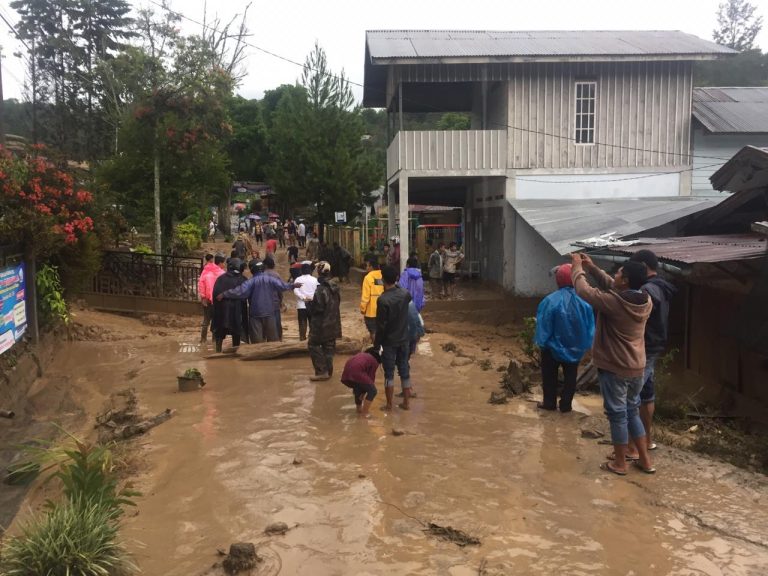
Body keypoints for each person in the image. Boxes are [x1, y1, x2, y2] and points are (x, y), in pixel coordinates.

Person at [572, 253, 654, 476]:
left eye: (618, 273)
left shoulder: (614, 303)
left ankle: (620, 463)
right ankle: (645, 460)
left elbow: (584, 291)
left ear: (625, 280)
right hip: (637, 366)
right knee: (631, 411)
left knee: (617, 415)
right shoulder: (645, 300)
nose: (614, 275)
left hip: (615, 367)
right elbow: (614, 287)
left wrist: (577, 268)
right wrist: (593, 268)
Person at [628, 249, 676, 455]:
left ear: (643, 267)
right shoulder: (662, 286)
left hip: (645, 347)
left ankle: (631, 449)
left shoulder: (649, 290)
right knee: (647, 395)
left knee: (631, 398)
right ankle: (647, 440)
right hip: (655, 345)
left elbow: (644, 301)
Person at [534, 263, 595, 413]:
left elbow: (544, 326)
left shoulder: (549, 301)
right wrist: (584, 346)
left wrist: (541, 343)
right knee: (570, 377)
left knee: (549, 376)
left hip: (551, 348)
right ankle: (566, 405)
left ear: (558, 280)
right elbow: (590, 328)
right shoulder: (585, 303)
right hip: (575, 348)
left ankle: (549, 403)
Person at [217, 260, 300, 343]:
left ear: (252, 269)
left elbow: (239, 291)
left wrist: (224, 294)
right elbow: (283, 286)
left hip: (255, 314)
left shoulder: (250, 281)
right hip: (270, 313)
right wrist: (293, 285)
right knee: (273, 340)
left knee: (257, 341)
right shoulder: (270, 279)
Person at [374, 265, 413, 411]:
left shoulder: (382, 300)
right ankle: (406, 403)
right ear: (396, 278)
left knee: (389, 373)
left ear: (383, 279)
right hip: (404, 339)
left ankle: (389, 405)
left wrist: (376, 345)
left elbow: (381, 326)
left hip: (389, 342)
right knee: (404, 370)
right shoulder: (405, 294)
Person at [307, 261, 341, 381]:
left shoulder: (321, 290)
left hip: (321, 325)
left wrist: (309, 304)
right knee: (329, 347)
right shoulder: (335, 288)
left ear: (320, 272)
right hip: (334, 323)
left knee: (313, 345)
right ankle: (329, 371)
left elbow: (318, 309)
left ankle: (321, 371)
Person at [211, 258, 248, 352]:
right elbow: (245, 296)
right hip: (237, 312)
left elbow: (214, 295)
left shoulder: (220, 279)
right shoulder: (243, 279)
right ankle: (235, 352)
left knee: (220, 332)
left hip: (221, 312)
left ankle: (218, 352)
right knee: (236, 333)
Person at [341, 348, 382, 417]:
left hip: (347, 372)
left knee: (358, 388)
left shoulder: (361, 355)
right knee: (373, 391)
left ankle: (358, 409)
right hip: (357, 372)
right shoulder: (374, 361)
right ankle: (364, 413)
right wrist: (364, 393)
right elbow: (370, 379)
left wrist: (363, 393)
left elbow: (364, 382)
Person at [198, 253, 226, 343]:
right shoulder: (221, 273)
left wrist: (203, 297)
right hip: (217, 300)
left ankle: (203, 339)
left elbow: (201, 284)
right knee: (216, 320)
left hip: (207, 299)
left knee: (206, 320)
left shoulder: (205, 271)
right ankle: (215, 340)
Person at [360, 257, 385, 344]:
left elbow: (365, 296)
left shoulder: (368, 278)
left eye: (367, 266)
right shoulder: (383, 276)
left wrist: (363, 309)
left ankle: (377, 349)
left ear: (371, 267)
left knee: (373, 331)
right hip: (383, 309)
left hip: (371, 311)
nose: (366, 268)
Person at [294, 262, 319, 341]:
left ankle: (302, 338)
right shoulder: (315, 280)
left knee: (302, 323)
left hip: (301, 305)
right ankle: (312, 339)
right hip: (312, 304)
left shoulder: (298, 279)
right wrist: (311, 298)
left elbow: (295, 290)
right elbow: (318, 291)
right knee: (312, 323)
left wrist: (303, 297)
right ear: (310, 271)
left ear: (301, 270)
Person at [263, 256, 285, 341]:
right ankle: (279, 338)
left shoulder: (261, 275)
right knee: (277, 321)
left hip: (264, 303)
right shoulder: (276, 275)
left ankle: (266, 339)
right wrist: (281, 300)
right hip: (275, 302)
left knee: (265, 322)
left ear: (265, 265)